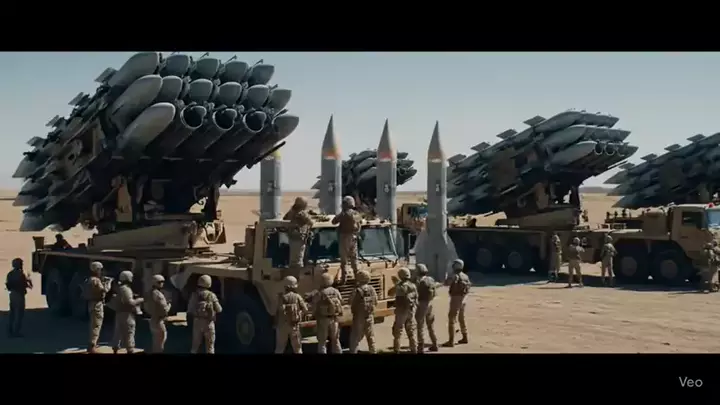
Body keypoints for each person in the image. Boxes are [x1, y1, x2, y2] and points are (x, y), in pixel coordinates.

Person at [111, 271, 144, 354]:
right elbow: (130, 302)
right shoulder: (126, 289)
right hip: (127, 314)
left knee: (118, 332)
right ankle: (130, 349)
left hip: (119, 313)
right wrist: (140, 300)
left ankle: (115, 348)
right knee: (129, 332)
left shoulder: (120, 287)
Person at [188, 275, 223, 353]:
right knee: (210, 347)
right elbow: (219, 309)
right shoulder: (211, 295)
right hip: (209, 323)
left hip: (197, 322)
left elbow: (190, 310)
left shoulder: (194, 294)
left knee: (195, 346)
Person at [331, 196, 362, 284]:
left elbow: (334, 221)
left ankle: (344, 278)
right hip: (354, 237)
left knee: (344, 259)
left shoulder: (344, 214)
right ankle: (357, 277)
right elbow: (360, 224)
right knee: (354, 258)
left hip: (345, 237)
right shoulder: (356, 213)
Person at [311, 273, 343, 354]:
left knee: (322, 341)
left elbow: (314, 304)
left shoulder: (320, 293)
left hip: (323, 319)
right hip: (334, 319)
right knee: (335, 340)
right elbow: (341, 300)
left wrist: (313, 314)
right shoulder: (336, 291)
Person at [275, 275, 308, 354]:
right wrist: (299, 315)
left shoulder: (281, 297)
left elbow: (277, 311)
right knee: (298, 349)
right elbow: (305, 309)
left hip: (282, 326)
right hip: (294, 326)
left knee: (279, 348)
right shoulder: (297, 296)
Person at [84, 261, 110, 353]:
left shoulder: (90, 279)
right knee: (96, 325)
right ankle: (92, 346)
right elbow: (104, 290)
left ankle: (92, 344)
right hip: (97, 305)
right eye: (100, 269)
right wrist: (108, 283)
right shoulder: (96, 280)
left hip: (91, 304)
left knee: (93, 324)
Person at [349, 270, 377, 354]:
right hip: (369, 315)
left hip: (358, 316)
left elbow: (350, 301)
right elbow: (376, 301)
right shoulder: (372, 289)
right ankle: (373, 351)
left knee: (355, 336)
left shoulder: (357, 290)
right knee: (370, 336)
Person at [443, 259, 470, 347]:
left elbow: (446, 283)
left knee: (452, 319)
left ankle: (451, 341)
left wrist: (447, 276)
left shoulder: (454, 276)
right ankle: (465, 337)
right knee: (461, 318)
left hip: (456, 298)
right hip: (463, 298)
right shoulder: (465, 276)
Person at [283, 197, 315, 268]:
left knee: (293, 259)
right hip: (299, 238)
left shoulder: (291, 212)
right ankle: (297, 273)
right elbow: (311, 223)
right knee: (298, 261)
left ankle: (293, 271)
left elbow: (285, 219)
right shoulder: (301, 213)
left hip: (292, 237)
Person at [392, 267, 418, 354]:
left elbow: (390, 293)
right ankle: (414, 348)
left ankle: (397, 349)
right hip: (411, 309)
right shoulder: (413, 285)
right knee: (411, 330)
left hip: (401, 311)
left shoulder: (399, 286)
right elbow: (416, 297)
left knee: (398, 331)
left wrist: (396, 283)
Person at [5, 258, 32, 338]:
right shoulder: (21, 274)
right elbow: (27, 285)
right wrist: (28, 280)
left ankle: (10, 330)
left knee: (12, 313)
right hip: (19, 295)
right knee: (19, 314)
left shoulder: (10, 274)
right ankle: (16, 332)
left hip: (12, 294)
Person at [415, 264, 438, 353]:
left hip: (422, 304)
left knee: (420, 326)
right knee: (430, 326)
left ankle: (420, 347)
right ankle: (435, 344)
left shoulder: (419, 282)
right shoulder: (430, 279)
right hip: (430, 303)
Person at [146, 274, 171, 353]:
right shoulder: (159, 295)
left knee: (155, 342)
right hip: (159, 321)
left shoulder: (149, 293)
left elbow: (146, 306)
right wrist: (169, 305)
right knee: (160, 344)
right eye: (160, 282)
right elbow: (164, 310)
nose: (162, 283)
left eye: (162, 282)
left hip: (152, 319)